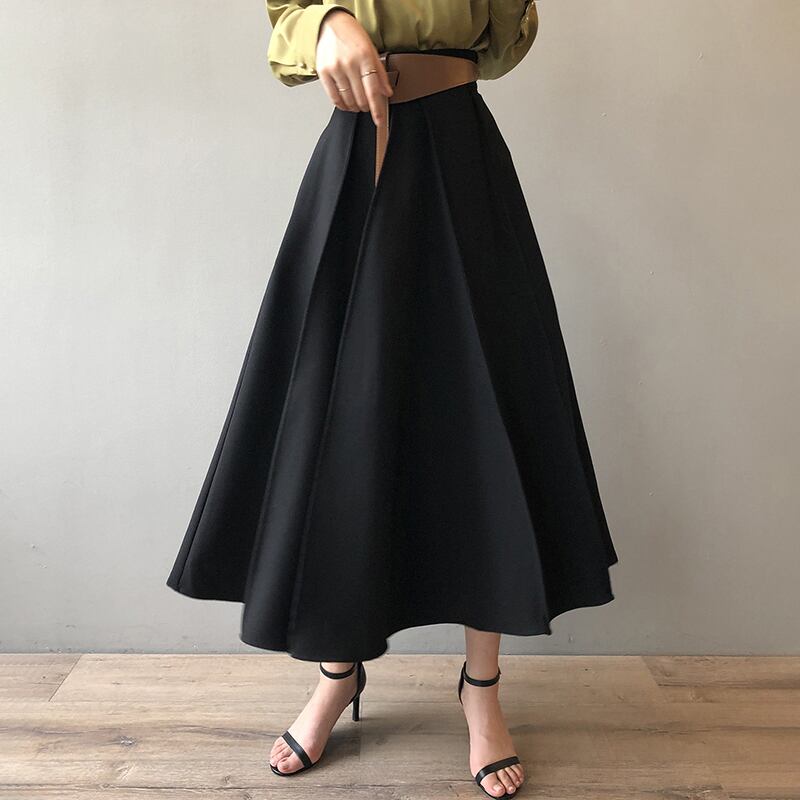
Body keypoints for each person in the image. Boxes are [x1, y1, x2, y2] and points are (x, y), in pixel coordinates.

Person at [167, 2, 618, 797]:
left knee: (484, 415)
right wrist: (328, 21)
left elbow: (502, 43)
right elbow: (286, 18)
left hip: (461, 161)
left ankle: (481, 687)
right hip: (356, 158)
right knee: (340, 418)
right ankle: (337, 671)